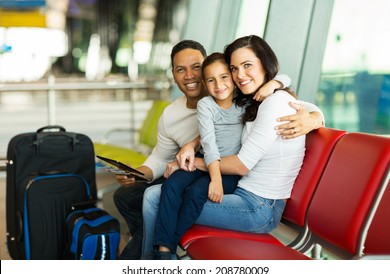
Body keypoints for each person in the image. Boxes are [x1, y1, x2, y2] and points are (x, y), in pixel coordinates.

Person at [114, 39, 323, 260]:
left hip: (257, 204)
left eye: (246, 66)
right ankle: (156, 255)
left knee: (156, 199)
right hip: (239, 189)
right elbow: (168, 151)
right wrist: (191, 146)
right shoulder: (246, 98)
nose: (240, 74)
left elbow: (295, 107)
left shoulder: (263, 99)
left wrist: (315, 117)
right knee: (141, 196)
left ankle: (155, 260)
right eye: (235, 69)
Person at [147, 52, 244, 260]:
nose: (219, 85)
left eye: (224, 77)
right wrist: (212, 175)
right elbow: (208, 143)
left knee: (196, 192)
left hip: (228, 170)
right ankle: (163, 251)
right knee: (171, 184)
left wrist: (217, 180)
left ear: (234, 77)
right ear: (205, 83)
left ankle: (169, 245)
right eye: (211, 80)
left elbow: (281, 83)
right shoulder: (206, 105)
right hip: (205, 158)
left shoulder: (245, 102)